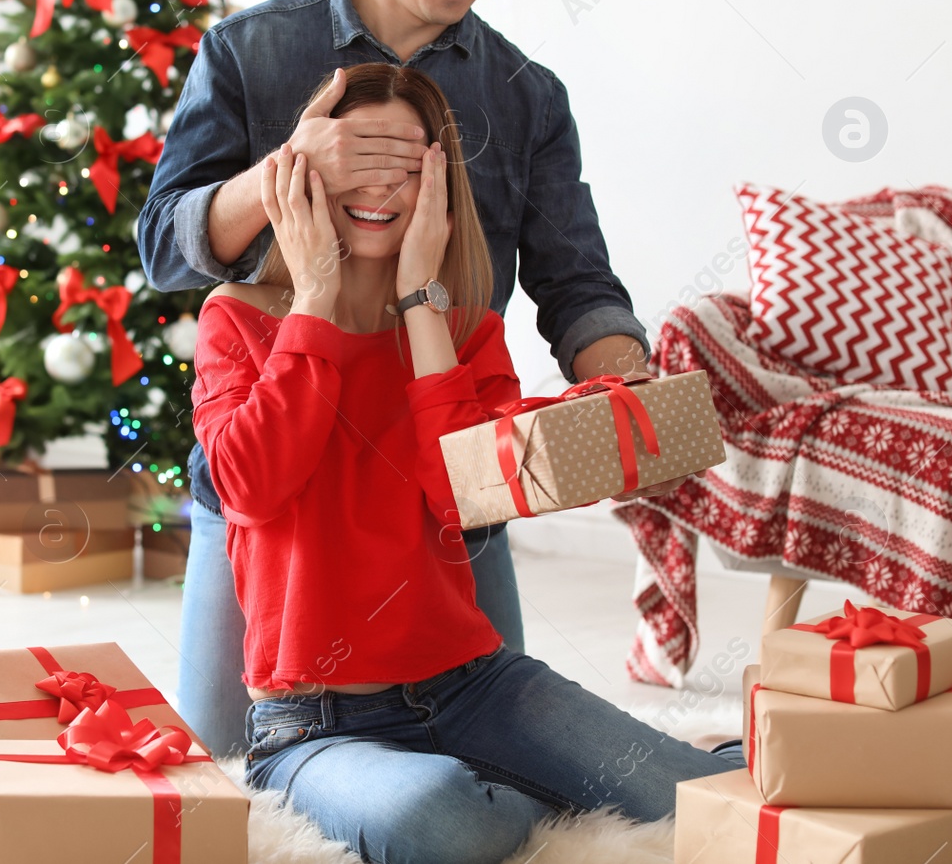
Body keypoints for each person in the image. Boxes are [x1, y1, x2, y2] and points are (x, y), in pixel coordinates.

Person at [138, 0, 680, 758]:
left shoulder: (527, 95)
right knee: (227, 770)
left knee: (507, 765)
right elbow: (163, 247)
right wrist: (286, 166)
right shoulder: (252, 53)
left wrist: (629, 377)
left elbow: (577, 279)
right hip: (278, 500)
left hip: (439, 483)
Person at [190, 63, 742, 864]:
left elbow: (463, 501)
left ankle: (541, 768)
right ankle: (498, 785)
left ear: (440, 184)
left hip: (474, 683)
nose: (381, 189)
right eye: (359, 163)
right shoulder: (236, 320)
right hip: (314, 719)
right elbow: (250, 483)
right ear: (309, 173)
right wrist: (312, 297)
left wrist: (422, 305)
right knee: (440, 822)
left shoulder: (466, 336)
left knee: (706, 794)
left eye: (408, 169)